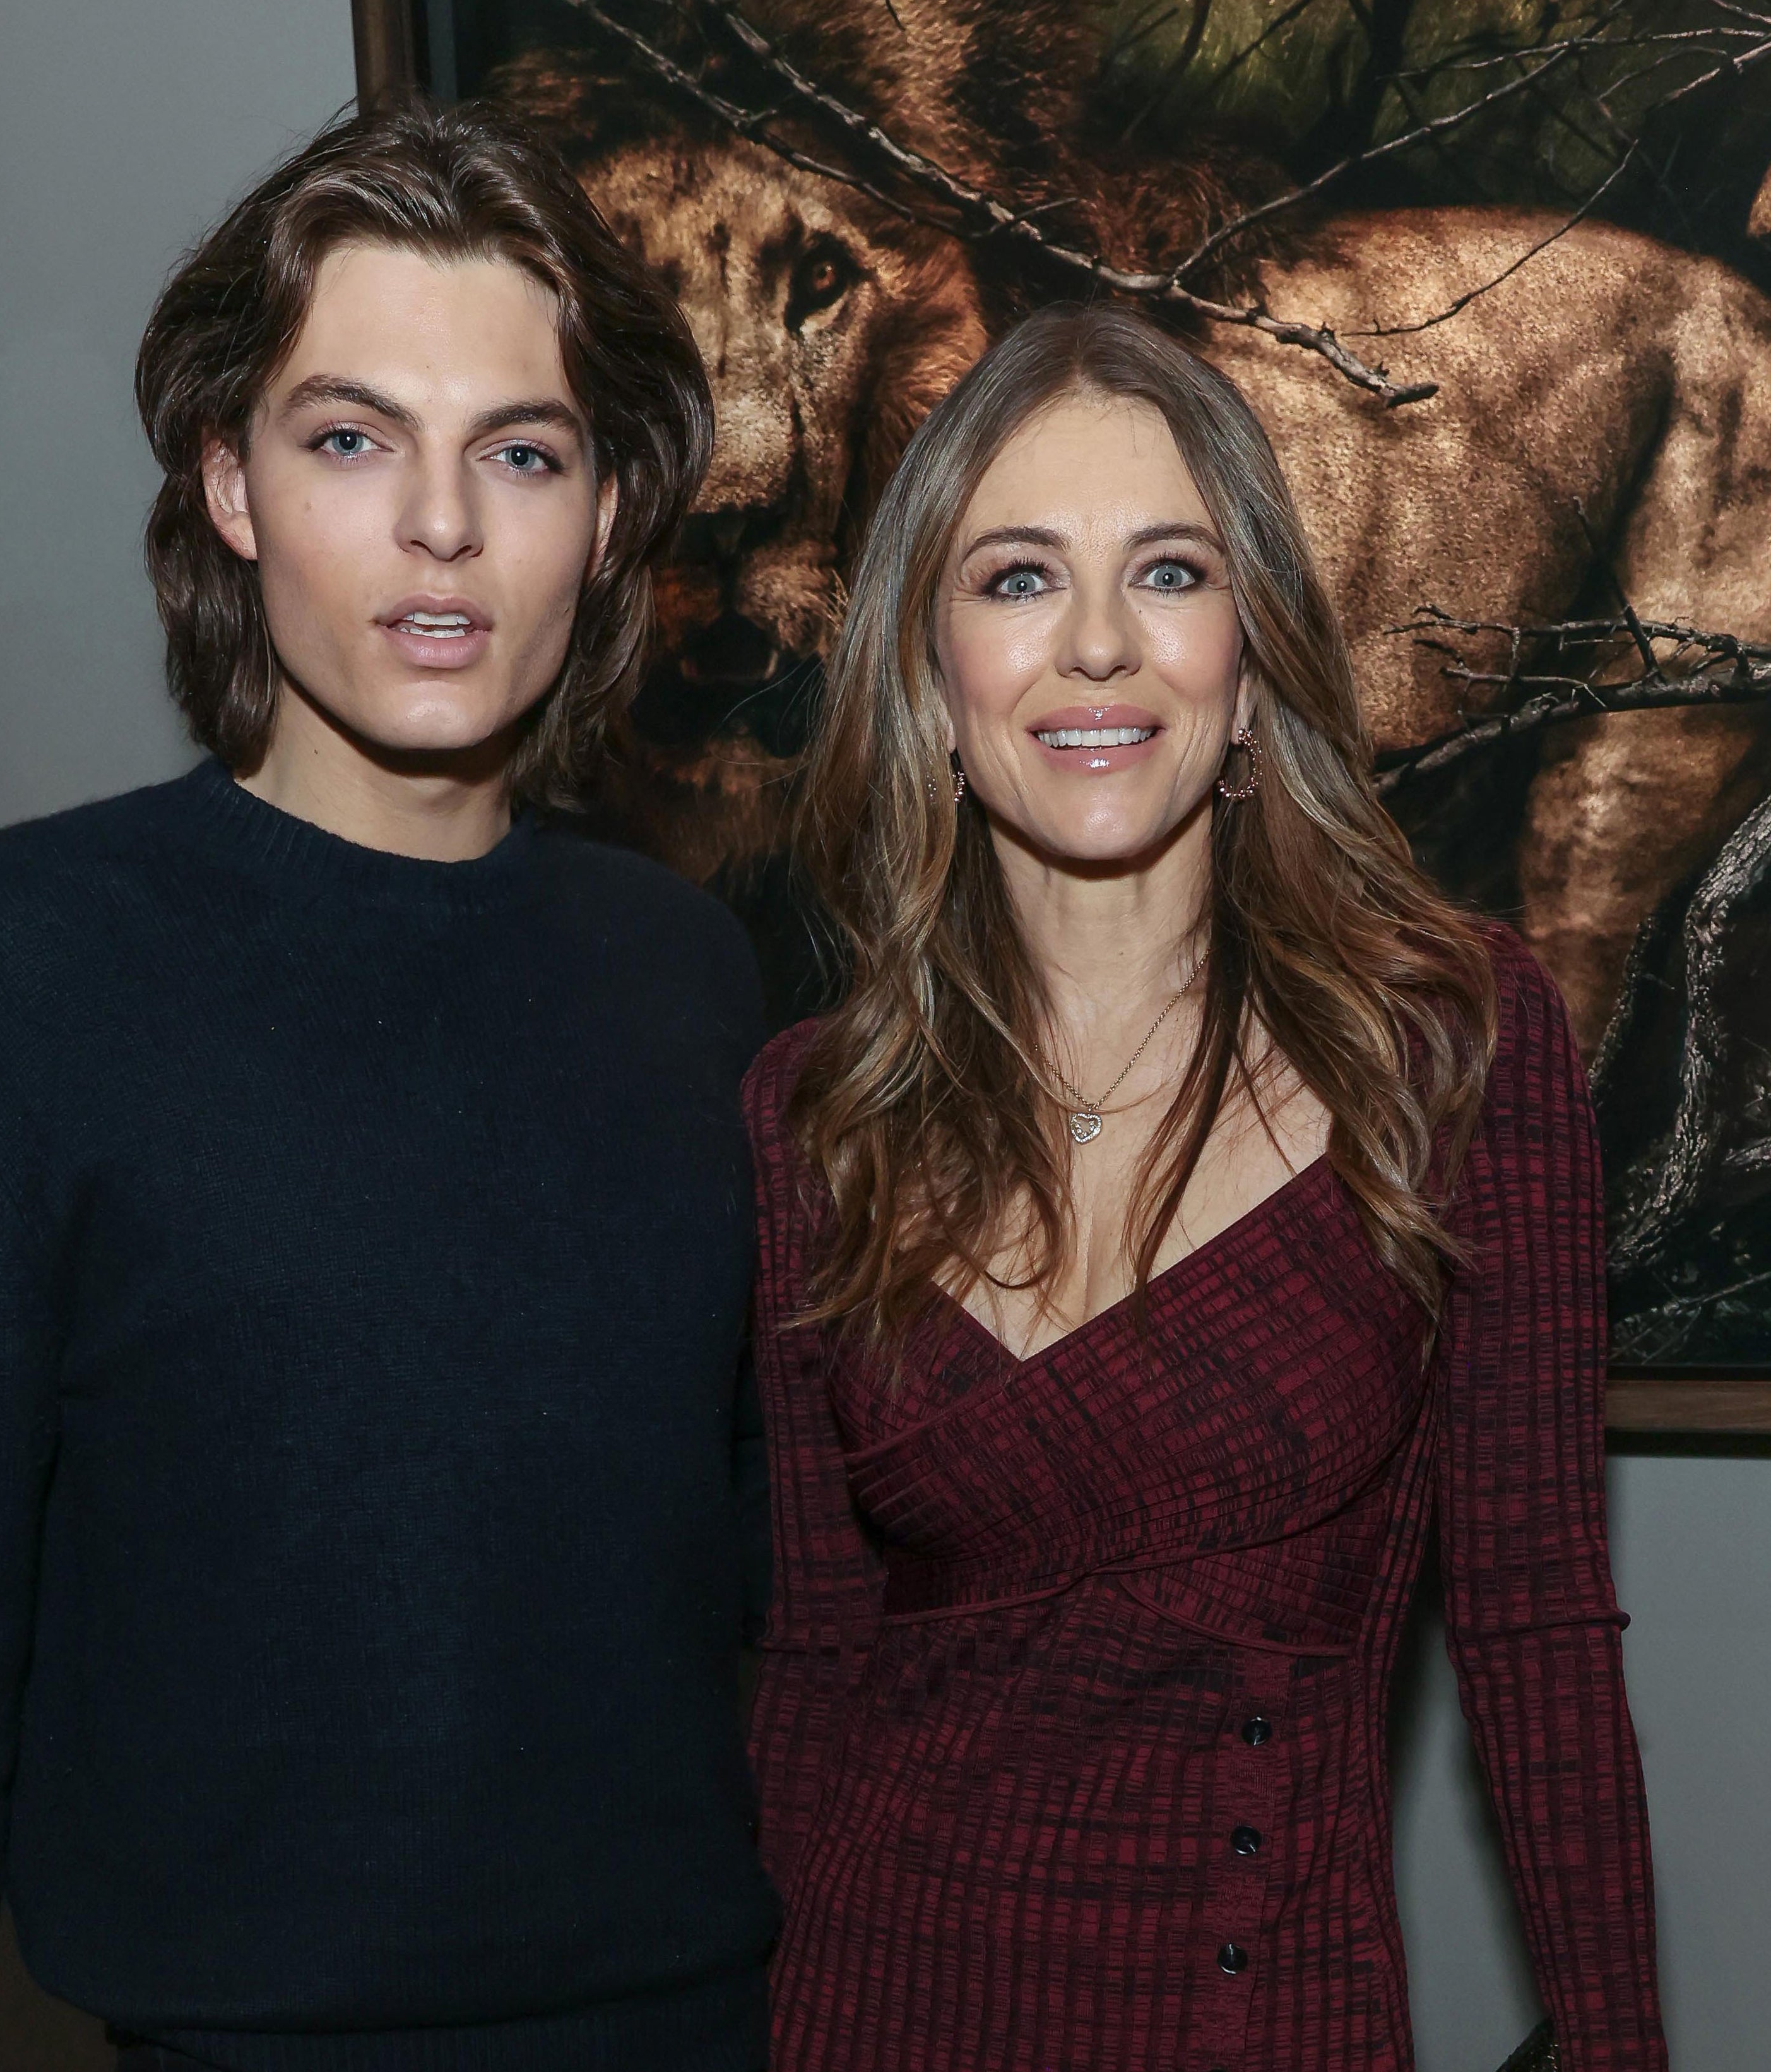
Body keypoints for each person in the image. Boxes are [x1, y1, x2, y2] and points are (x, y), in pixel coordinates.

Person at [0, 98, 777, 2072]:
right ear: (229, 485)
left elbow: (748, 1565)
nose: (440, 526)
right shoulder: (27, 965)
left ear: (608, 512)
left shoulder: (693, 974)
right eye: (349, 439)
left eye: (520, 451)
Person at [743, 302, 1665, 2070]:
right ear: (930, 681)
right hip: (863, 2004)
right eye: (1015, 579)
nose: (1095, 644)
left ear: (1246, 664)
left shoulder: (1452, 1047)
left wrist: (1617, 2041)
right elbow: (810, 1664)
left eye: (1165, 571)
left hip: (1268, 2013)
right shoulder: (814, 1114)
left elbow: (1535, 1621)